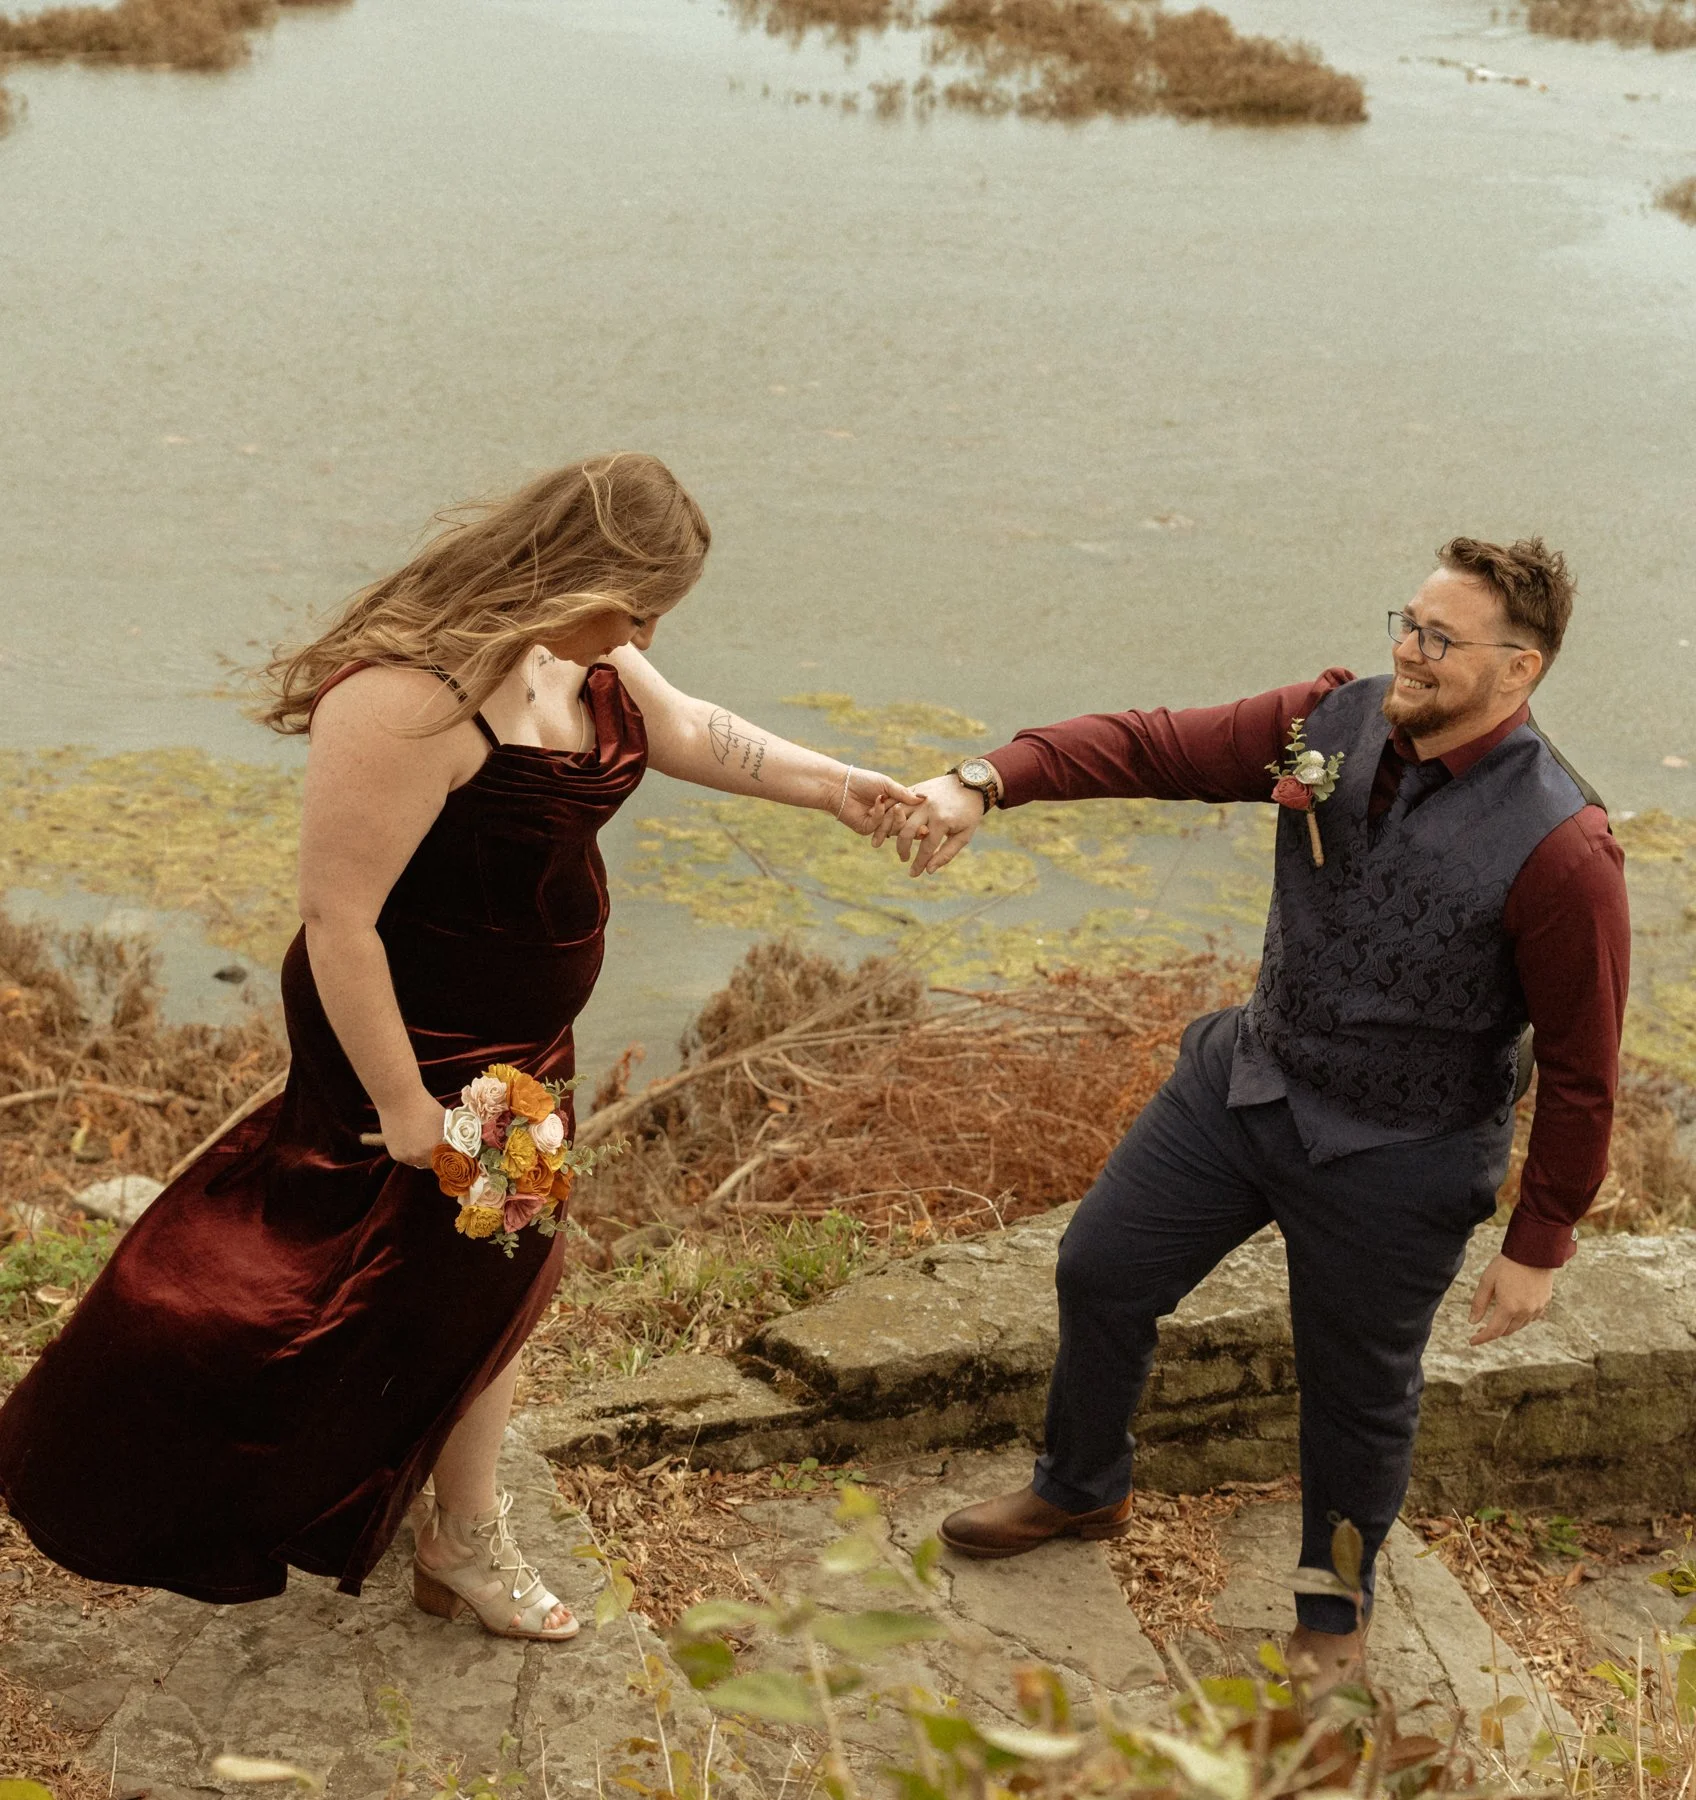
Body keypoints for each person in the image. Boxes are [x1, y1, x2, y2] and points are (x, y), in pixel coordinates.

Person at [0, 452, 918, 1642]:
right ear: (576, 575)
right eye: (635, 608)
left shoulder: (575, 655)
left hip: (525, 1049)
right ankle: (133, 1453)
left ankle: (450, 1525)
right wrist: (401, 1104)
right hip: (421, 1045)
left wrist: (840, 786)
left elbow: (689, 726)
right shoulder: (405, 698)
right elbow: (337, 920)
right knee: (327, 1267)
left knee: (489, 1269)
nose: (642, 636)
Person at [880, 537, 1628, 1689]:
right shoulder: (1327, 722)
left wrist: (1540, 1237)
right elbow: (1149, 743)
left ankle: (1332, 1612)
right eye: (1406, 622)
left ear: (1518, 668)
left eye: (1439, 639)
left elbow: (1583, 1067)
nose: (1407, 650)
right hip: (1246, 1083)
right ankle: (1081, 1485)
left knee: (1355, 1397)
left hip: (1404, 1153)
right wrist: (983, 779)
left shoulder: (1564, 848)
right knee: (1099, 1266)